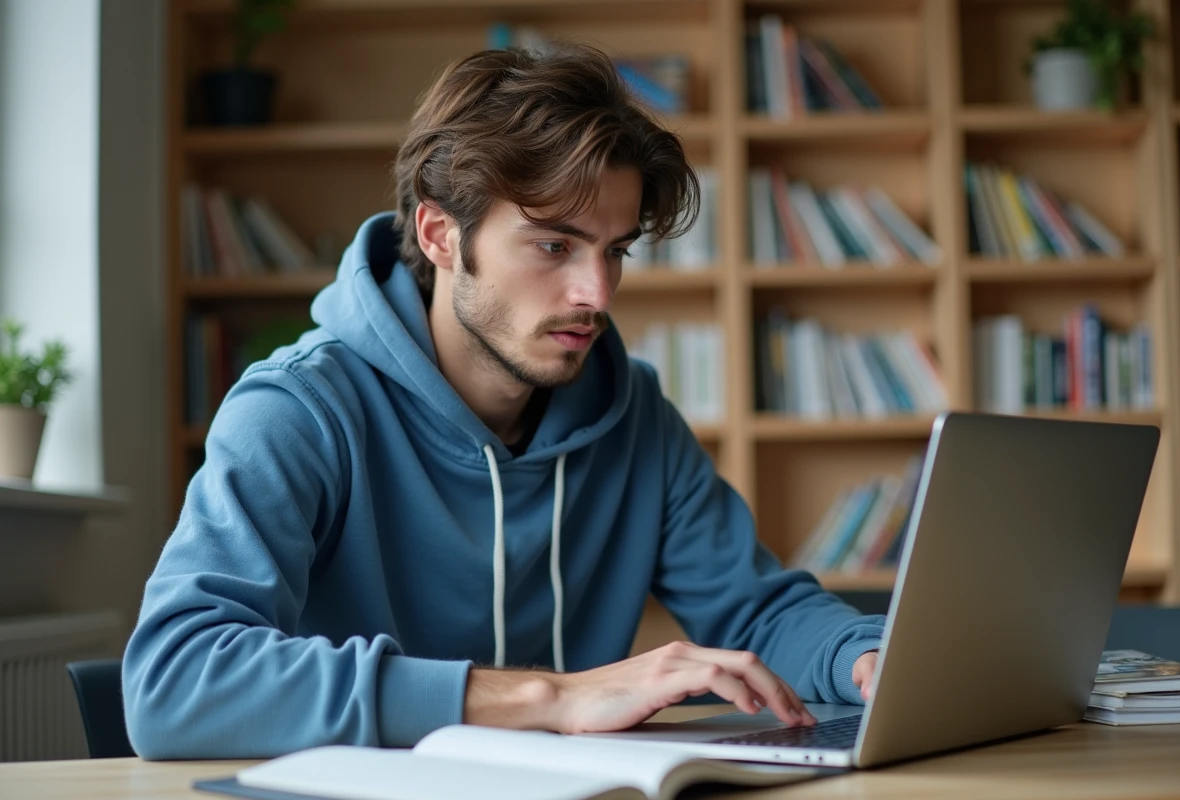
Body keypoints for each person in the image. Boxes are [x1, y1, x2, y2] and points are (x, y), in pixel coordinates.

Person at [122, 43, 883, 760]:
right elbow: (175, 678)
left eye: (614, 250)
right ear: (441, 234)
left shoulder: (632, 413)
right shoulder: (299, 410)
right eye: (555, 246)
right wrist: (546, 697)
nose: (597, 293)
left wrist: (867, 659)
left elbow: (759, 613)